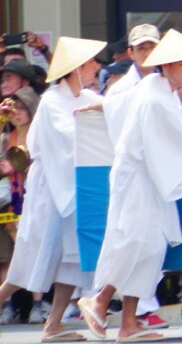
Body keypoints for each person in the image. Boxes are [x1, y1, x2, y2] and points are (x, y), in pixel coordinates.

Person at [78, 30, 182, 342]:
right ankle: (99, 299)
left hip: (146, 177)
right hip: (136, 176)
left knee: (150, 247)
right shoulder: (155, 95)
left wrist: (97, 106)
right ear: (168, 66)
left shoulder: (156, 86)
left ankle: (128, 323)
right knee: (133, 239)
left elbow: (118, 104)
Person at [0, 36, 106, 341]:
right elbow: (67, 136)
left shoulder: (85, 97)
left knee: (71, 260)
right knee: (27, 262)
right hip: (50, 192)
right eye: (90, 63)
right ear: (75, 68)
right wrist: (93, 115)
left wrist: (99, 110)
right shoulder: (52, 100)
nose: (95, 67)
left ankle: (53, 324)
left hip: (75, 189)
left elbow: (106, 119)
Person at [0, 88, 41, 326]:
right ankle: (6, 307)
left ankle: (37, 305)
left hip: (34, 198)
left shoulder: (38, 134)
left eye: (23, 107)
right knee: (7, 259)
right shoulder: (6, 136)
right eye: (14, 109)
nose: (18, 113)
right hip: (9, 203)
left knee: (35, 255)